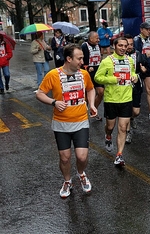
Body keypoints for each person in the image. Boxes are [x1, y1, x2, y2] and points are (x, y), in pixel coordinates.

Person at [36, 44, 97, 198]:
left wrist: (92, 104)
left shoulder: (84, 74)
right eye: (79, 58)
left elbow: (90, 89)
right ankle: (67, 181)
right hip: (61, 123)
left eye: (82, 57)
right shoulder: (53, 75)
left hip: (81, 121)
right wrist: (53, 102)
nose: (82, 61)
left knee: (82, 156)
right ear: (69, 59)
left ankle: (81, 174)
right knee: (65, 157)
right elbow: (40, 93)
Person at [94, 37, 138, 166]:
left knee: (123, 128)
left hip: (126, 98)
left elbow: (133, 73)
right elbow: (97, 77)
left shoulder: (129, 60)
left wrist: (135, 77)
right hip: (111, 99)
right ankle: (108, 136)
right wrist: (113, 80)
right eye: (120, 45)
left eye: (125, 46)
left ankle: (119, 155)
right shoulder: (107, 61)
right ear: (114, 46)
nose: (123, 48)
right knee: (110, 127)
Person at [124, 33, 150, 144]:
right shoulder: (119, 56)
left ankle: (132, 118)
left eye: (131, 44)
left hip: (137, 84)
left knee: (136, 111)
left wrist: (144, 70)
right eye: (127, 44)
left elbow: (147, 68)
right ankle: (127, 132)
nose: (129, 46)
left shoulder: (139, 54)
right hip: (124, 86)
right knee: (127, 109)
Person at [81, 31, 104, 121]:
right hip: (88, 72)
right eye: (96, 38)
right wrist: (86, 67)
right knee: (87, 96)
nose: (98, 40)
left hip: (98, 71)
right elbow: (80, 60)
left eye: (98, 38)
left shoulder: (99, 45)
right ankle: (83, 114)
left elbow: (100, 56)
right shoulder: (84, 46)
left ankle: (94, 109)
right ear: (91, 39)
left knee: (101, 92)